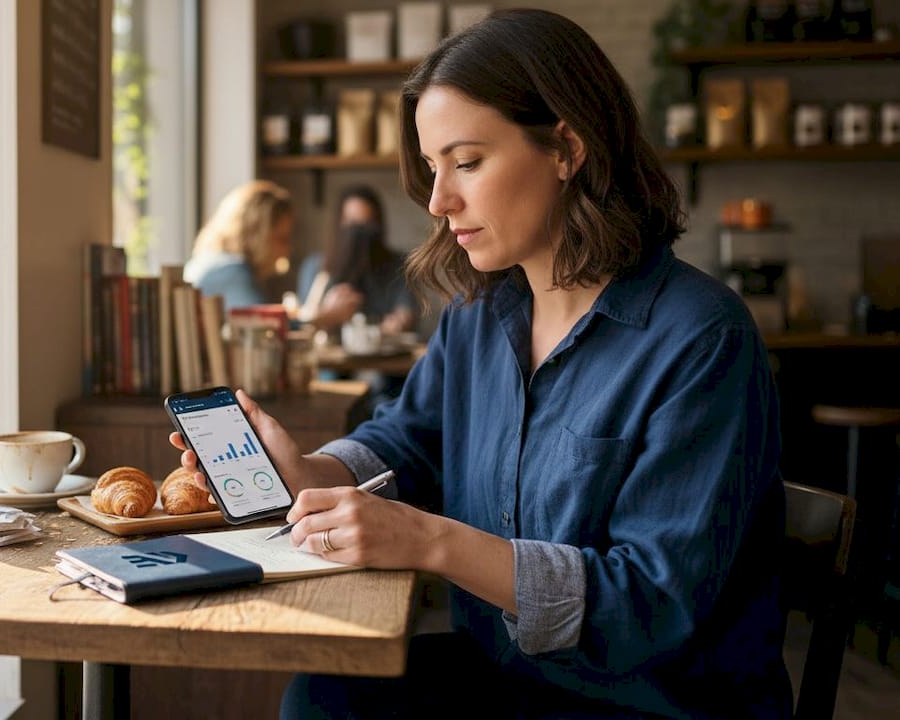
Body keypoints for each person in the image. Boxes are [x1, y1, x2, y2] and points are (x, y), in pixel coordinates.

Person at [172, 9, 789, 718]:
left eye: (466, 162)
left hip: (654, 702)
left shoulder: (701, 339)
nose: (439, 201)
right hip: (512, 680)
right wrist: (312, 473)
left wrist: (430, 539)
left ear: (566, 148)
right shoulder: (482, 313)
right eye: (434, 168)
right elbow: (409, 438)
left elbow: (649, 603)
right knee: (322, 695)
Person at [296, 185, 416, 336]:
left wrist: (399, 322)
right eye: (352, 224)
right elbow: (303, 322)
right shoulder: (315, 267)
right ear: (339, 224)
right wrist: (328, 314)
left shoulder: (398, 266)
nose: (358, 235)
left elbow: (406, 313)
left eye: (366, 225)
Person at [183, 179, 294, 310]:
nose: (287, 249)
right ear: (257, 235)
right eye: (281, 239)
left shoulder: (208, 260)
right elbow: (264, 323)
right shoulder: (234, 272)